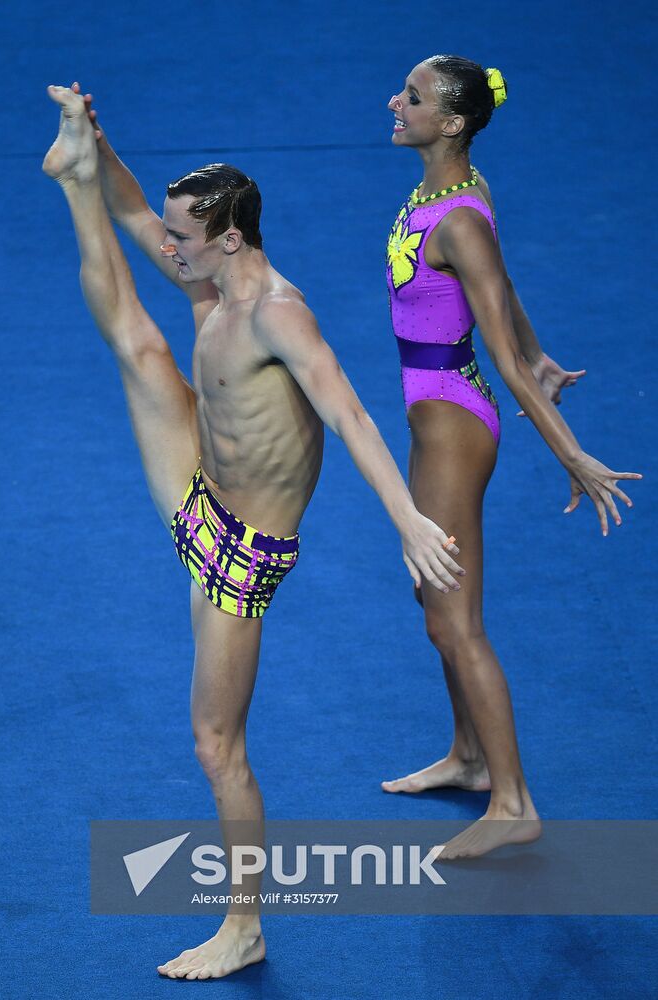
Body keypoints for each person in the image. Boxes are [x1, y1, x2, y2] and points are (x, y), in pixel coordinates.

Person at [43, 84, 464, 980]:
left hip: (242, 554)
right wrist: (98, 142)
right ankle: (69, 173)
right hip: (199, 489)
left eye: (182, 239)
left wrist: (407, 520)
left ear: (228, 238)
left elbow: (349, 417)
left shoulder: (277, 312)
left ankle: (246, 926)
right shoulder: (209, 285)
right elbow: (140, 213)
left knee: (215, 745)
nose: (168, 247)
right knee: (134, 340)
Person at [380, 56, 642, 859]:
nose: (396, 102)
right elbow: (502, 295)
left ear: (451, 122)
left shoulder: (457, 217)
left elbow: (489, 340)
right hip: (432, 418)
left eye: (413, 98)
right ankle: (465, 758)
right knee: (434, 611)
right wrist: (541, 355)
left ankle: (514, 802)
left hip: (454, 428)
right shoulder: (451, 193)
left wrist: (570, 451)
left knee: (457, 622)